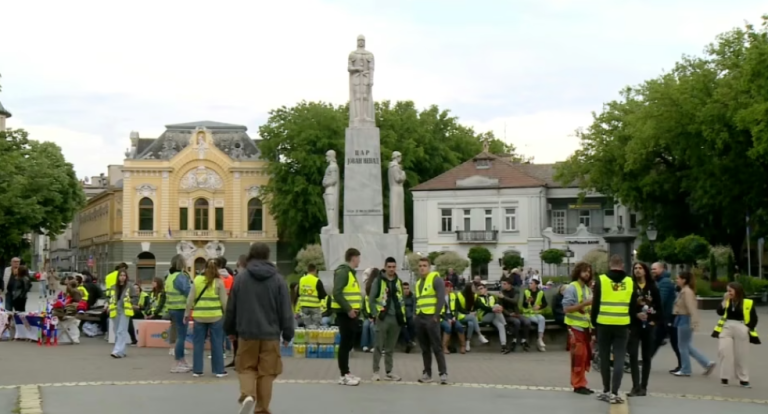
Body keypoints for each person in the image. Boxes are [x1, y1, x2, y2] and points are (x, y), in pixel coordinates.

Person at [224, 242, 293, 414]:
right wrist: (287, 334)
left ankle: (248, 394)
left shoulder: (240, 278)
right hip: (271, 334)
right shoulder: (278, 279)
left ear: (250, 255)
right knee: (267, 372)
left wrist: (230, 330)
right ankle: (262, 409)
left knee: (246, 367)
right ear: (268, 256)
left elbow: (231, 307)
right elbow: (286, 309)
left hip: (247, 333)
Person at [591, 255, 638, 404]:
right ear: (622, 265)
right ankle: (615, 392)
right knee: (619, 357)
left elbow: (595, 304)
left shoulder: (602, 280)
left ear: (610, 265)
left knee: (604, 357)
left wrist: (594, 323)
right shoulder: (630, 282)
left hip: (603, 323)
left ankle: (605, 390)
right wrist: (631, 324)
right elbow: (632, 305)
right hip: (622, 324)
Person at [186, 259, 228, 378]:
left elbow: (190, 299)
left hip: (199, 317)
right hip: (216, 317)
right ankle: (219, 370)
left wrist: (187, 313)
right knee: (217, 343)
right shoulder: (219, 282)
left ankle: (197, 370)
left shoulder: (197, 280)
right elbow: (224, 302)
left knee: (198, 343)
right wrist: (228, 315)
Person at [712, 282, 760, 387]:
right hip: (727, 326)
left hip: (741, 326)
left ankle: (744, 379)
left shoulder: (748, 302)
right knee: (724, 352)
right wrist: (724, 301)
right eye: (727, 290)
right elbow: (719, 312)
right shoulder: (727, 301)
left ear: (737, 291)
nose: (728, 293)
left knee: (741, 355)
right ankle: (724, 377)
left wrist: (747, 327)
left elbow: (754, 318)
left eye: (730, 291)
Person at [670, 271, 716, 378]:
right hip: (682, 318)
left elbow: (692, 308)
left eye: (678, 278)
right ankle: (707, 363)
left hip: (685, 319)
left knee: (682, 346)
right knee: (687, 346)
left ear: (684, 280)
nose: (676, 280)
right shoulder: (684, 291)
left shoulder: (686, 292)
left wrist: (695, 323)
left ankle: (686, 369)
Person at [368, 257, 405, 381]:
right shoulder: (378, 281)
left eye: (393, 267)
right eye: (389, 267)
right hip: (383, 318)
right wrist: (376, 314)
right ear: (384, 267)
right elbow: (371, 299)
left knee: (390, 347)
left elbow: (402, 300)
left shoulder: (398, 281)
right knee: (378, 346)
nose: (391, 269)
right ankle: (375, 371)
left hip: (396, 319)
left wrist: (402, 317)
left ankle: (389, 372)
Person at [627, 262, 661, 397]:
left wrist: (654, 321)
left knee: (646, 357)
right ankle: (635, 386)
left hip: (649, 326)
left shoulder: (652, 287)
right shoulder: (630, 286)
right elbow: (626, 306)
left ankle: (643, 387)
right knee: (633, 355)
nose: (637, 271)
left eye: (640, 268)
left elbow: (659, 307)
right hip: (634, 326)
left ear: (645, 271)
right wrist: (635, 315)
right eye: (635, 268)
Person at [414, 257, 448, 384]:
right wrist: (415, 315)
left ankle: (443, 373)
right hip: (420, 317)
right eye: (420, 266)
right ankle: (427, 373)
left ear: (429, 267)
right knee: (424, 348)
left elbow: (440, 298)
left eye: (424, 265)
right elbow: (417, 300)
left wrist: (436, 316)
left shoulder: (436, 279)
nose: (422, 268)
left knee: (437, 347)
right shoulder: (418, 283)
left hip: (431, 318)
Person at [332, 248, 364, 386]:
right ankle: (343, 374)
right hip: (345, 314)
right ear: (353, 258)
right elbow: (337, 293)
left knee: (348, 343)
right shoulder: (344, 272)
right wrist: (349, 309)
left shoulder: (350, 273)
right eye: (358, 257)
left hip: (351, 314)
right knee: (345, 344)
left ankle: (346, 372)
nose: (359, 260)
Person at [564, 262, 594, 395]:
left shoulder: (587, 289)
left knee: (584, 357)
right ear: (578, 272)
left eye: (588, 271)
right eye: (584, 271)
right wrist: (585, 303)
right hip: (575, 327)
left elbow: (588, 309)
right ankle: (578, 384)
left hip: (585, 327)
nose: (587, 274)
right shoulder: (572, 288)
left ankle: (581, 383)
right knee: (578, 357)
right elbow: (567, 309)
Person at [650, 262, 680, 372]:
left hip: (667, 317)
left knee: (675, 342)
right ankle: (646, 360)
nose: (653, 271)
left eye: (655, 269)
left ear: (662, 269)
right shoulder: (659, 281)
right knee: (656, 340)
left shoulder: (665, 282)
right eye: (652, 269)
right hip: (663, 318)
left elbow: (661, 300)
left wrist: (650, 306)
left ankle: (683, 364)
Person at [166, 254, 192, 373]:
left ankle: (182, 361)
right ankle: (178, 362)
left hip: (172, 308)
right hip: (180, 308)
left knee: (179, 336)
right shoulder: (181, 277)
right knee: (181, 336)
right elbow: (188, 292)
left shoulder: (170, 277)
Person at [498, 278, 531, 352]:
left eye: (504, 284)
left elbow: (515, 301)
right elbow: (501, 307)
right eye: (502, 284)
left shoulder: (515, 291)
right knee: (517, 322)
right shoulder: (501, 292)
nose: (502, 285)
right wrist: (509, 314)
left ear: (509, 285)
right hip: (507, 315)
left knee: (527, 322)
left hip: (516, 313)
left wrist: (504, 297)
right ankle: (514, 340)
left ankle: (524, 340)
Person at [106, 269, 133, 358]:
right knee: (117, 331)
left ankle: (117, 351)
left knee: (121, 330)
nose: (122, 277)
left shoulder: (130, 286)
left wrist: (131, 302)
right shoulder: (113, 287)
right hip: (115, 310)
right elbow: (109, 297)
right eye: (121, 275)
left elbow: (136, 297)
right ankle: (122, 350)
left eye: (124, 275)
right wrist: (108, 305)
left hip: (125, 310)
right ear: (118, 277)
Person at [475, 283, 507, 352]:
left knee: (500, 325)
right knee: (496, 306)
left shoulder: (492, 297)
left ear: (485, 289)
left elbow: (498, 306)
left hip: (493, 316)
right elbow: (484, 307)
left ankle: (503, 346)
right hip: (484, 318)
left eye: (481, 288)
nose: (480, 290)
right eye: (478, 289)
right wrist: (494, 309)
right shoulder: (478, 299)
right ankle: (506, 324)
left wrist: (500, 308)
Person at [457, 283, 488, 352]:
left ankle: (468, 342)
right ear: (469, 288)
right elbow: (459, 309)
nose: (475, 289)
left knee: (471, 324)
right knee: (473, 317)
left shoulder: (474, 296)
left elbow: (480, 305)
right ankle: (480, 335)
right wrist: (469, 313)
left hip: (469, 316)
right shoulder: (459, 295)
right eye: (473, 287)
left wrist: (491, 309)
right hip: (461, 316)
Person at [297, 263, 327, 328]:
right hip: (315, 307)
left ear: (308, 270)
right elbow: (322, 295)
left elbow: (298, 293)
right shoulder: (317, 280)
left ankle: (307, 337)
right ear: (315, 270)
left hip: (304, 307)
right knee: (315, 326)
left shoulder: (301, 280)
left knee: (307, 326)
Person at [440, 281, 466, 354]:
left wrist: (455, 317)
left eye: (449, 287)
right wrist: (447, 319)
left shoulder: (453, 296)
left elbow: (457, 309)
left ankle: (463, 346)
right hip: (442, 317)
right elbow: (438, 312)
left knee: (459, 326)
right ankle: (444, 347)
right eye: (447, 287)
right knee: (448, 327)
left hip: (452, 316)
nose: (449, 288)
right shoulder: (439, 297)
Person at [522, 279, 548, 351]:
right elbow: (523, 306)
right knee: (539, 321)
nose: (530, 284)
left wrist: (539, 306)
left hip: (537, 313)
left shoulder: (541, 292)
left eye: (531, 283)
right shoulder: (526, 292)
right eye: (529, 283)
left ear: (536, 285)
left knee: (542, 319)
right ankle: (539, 343)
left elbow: (545, 303)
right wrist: (527, 301)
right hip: (528, 314)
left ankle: (540, 339)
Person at [400, 281, 417, 352]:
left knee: (412, 324)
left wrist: (414, 314)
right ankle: (409, 342)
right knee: (402, 326)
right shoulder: (400, 297)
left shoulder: (412, 296)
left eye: (407, 288)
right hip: (402, 316)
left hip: (410, 315)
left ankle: (410, 342)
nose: (406, 290)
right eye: (404, 288)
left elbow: (415, 306)